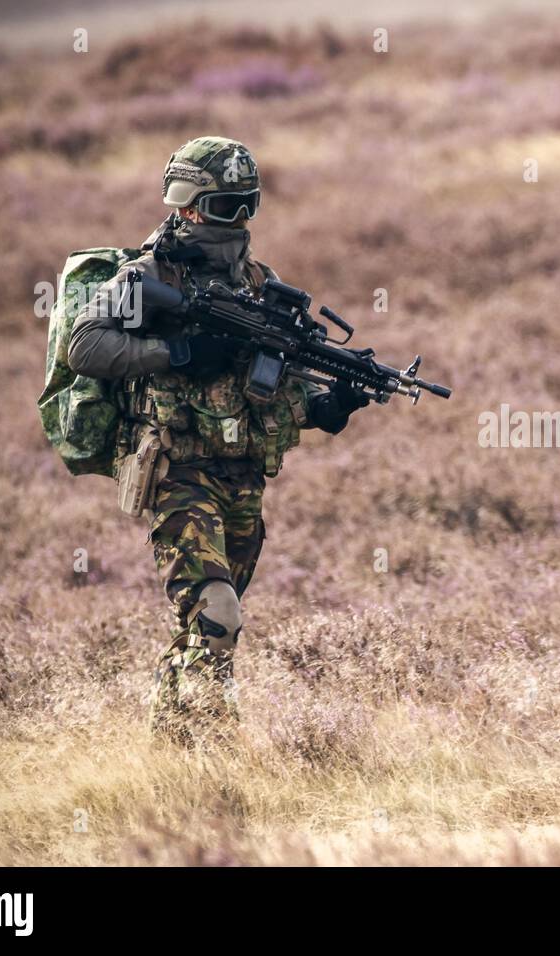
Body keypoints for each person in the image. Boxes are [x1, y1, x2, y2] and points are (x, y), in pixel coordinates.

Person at [67, 136, 369, 744]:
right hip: (178, 472)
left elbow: (269, 388)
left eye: (249, 204)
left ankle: (173, 751)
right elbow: (85, 345)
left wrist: (327, 405)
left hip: (242, 480)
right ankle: (217, 751)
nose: (241, 221)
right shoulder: (148, 276)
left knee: (207, 632)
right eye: (227, 207)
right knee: (217, 614)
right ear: (188, 206)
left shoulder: (261, 285)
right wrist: (175, 351)